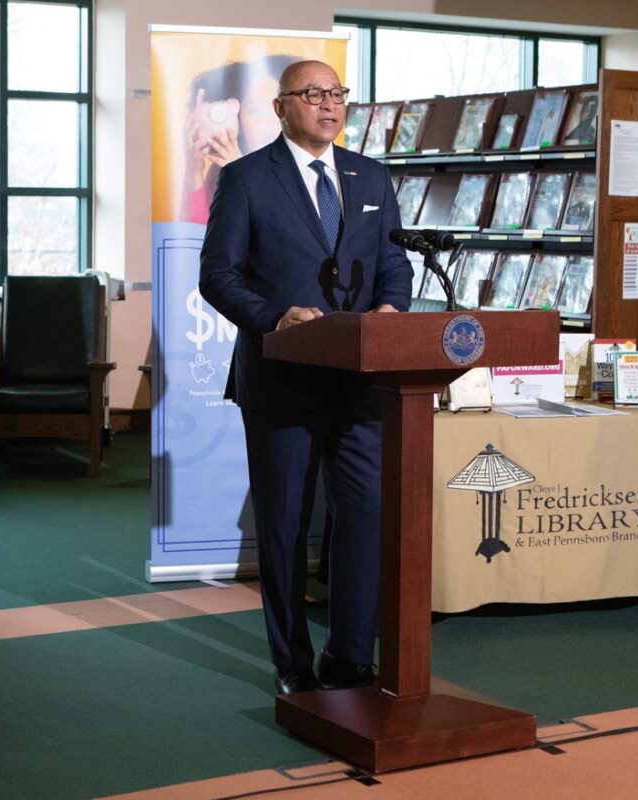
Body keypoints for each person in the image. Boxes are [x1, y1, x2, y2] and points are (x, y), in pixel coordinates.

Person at [199, 59, 413, 695]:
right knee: (287, 525)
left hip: (362, 382)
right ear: (281, 107)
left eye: (337, 94)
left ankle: (350, 656)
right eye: (313, 94)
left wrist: (389, 312)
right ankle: (292, 661)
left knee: (367, 513)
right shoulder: (244, 180)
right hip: (282, 380)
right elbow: (218, 276)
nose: (329, 105)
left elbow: (393, 263)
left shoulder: (370, 175)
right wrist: (275, 318)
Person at [181, 54, 297, 224]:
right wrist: (193, 171)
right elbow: (199, 236)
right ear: (239, 120)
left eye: (280, 108)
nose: (270, 121)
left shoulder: (307, 167)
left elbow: (283, 231)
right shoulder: (222, 170)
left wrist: (243, 174)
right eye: (255, 110)